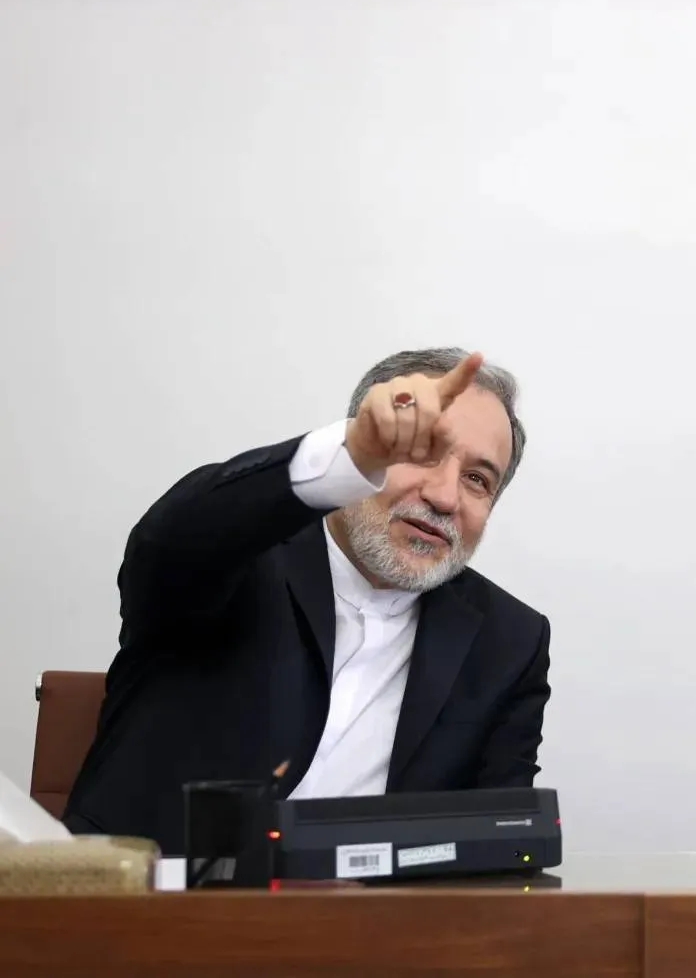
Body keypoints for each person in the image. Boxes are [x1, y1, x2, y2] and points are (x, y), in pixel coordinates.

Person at [65, 348, 551, 852]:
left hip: (366, 904)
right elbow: (172, 539)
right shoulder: (238, 555)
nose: (445, 497)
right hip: (141, 890)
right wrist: (345, 453)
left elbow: (504, 838)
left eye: (477, 480)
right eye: (422, 451)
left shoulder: (510, 640)